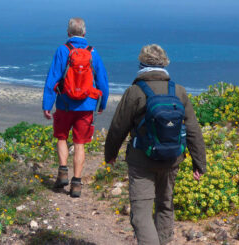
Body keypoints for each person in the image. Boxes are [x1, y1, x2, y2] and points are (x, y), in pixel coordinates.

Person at [104, 44, 207, 245]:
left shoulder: (134, 92)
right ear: (165, 64)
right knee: (165, 206)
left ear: (141, 64)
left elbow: (118, 126)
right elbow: (193, 130)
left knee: (141, 213)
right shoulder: (179, 91)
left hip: (141, 161)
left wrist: (110, 154)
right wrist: (199, 163)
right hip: (171, 159)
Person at [42, 17, 109, 197]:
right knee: (79, 144)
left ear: (68, 33)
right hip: (86, 106)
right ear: (84, 33)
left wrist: (47, 104)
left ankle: (63, 171)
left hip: (64, 104)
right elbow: (102, 81)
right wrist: (102, 103)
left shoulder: (62, 50)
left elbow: (53, 78)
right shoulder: (93, 52)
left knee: (62, 138)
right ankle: (77, 184)